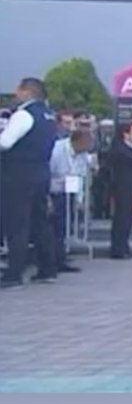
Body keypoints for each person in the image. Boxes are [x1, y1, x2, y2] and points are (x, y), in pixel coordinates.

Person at [0, 77, 60, 289]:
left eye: (18, 89)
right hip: (41, 172)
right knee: (40, 221)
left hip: (18, 173)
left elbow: (5, 142)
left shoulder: (24, 114)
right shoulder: (49, 116)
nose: (16, 93)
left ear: (27, 92)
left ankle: (14, 273)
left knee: (17, 223)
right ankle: (48, 268)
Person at [49, 129, 92, 274]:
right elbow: (48, 172)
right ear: (77, 141)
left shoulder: (82, 155)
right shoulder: (57, 150)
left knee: (65, 228)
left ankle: (60, 259)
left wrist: (80, 198)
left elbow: (81, 176)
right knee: (54, 228)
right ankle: (51, 259)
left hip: (69, 193)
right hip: (54, 191)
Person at [108, 121, 132, 259]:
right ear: (125, 134)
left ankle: (124, 245)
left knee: (129, 218)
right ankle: (117, 248)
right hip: (123, 186)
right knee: (121, 217)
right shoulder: (120, 149)